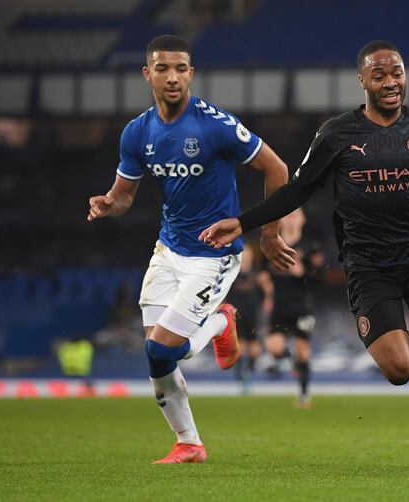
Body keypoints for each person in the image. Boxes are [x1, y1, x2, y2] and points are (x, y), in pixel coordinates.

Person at [200, 40, 409, 476]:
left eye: (397, 73)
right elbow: (296, 191)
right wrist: (244, 223)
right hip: (368, 267)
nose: (392, 82)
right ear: (363, 81)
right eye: (380, 75)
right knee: (395, 371)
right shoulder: (336, 134)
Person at [87, 34, 295, 464]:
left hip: (214, 256)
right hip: (168, 250)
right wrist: (110, 204)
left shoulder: (215, 125)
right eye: (163, 68)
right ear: (148, 74)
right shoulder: (137, 131)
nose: (173, 76)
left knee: (164, 349)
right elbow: (124, 196)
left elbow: (277, 168)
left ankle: (221, 321)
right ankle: (189, 443)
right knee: (157, 359)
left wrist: (269, 234)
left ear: (191, 73)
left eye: (181, 68)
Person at [258, 208, 325, 408]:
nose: (291, 219)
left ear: (302, 220)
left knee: (303, 350)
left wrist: (303, 273)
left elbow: (319, 279)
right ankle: (291, 361)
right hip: (278, 305)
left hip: (301, 306)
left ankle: (304, 395)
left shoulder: (310, 248)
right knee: (274, 348)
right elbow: (263, 273)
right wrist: (268, 294)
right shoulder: (271, 245)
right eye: (287, 215)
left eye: (295, 215)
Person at [224, 241, 267, 394]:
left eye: (248, 253)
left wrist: (268, 303)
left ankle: (249, 374)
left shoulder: (257, 273)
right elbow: (224, 291)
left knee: (255, 350)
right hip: (236, 314)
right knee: (240, 348)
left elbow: (267, 291)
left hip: (253, 313)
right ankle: (242, 379)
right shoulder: (232, 272)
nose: (245, 255)